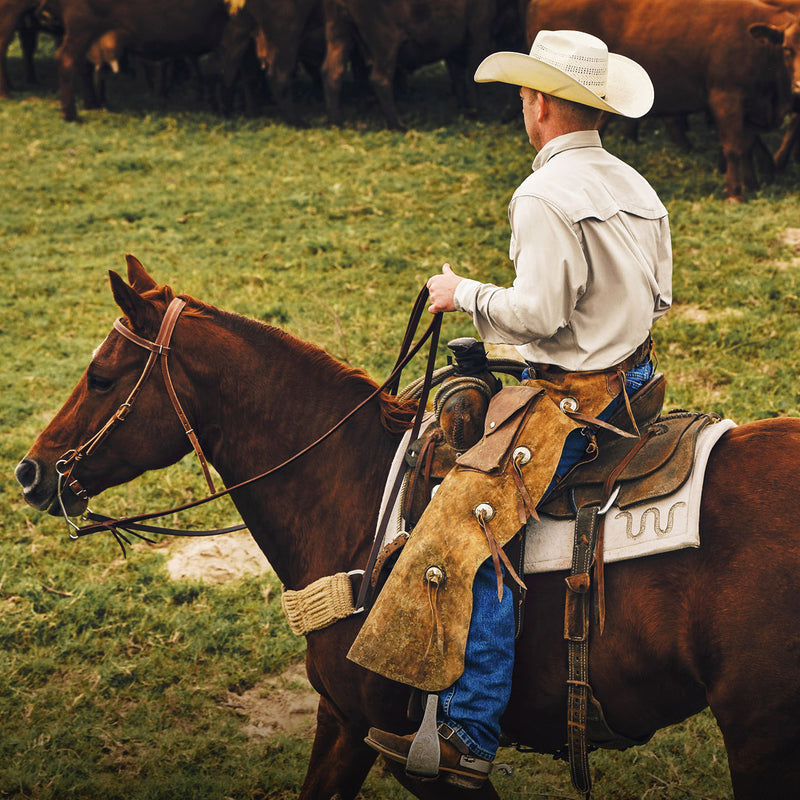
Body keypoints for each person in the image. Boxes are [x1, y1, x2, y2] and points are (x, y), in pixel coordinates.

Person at [355, 29, 672, 788]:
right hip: (635, 380)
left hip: (575, 398)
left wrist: (459, 293)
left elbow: (538, 313)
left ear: (538, 104)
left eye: (524, 96)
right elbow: (656, 291)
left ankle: (467, 735)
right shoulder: (637, 186)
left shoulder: (542, 193)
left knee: (475, 529)